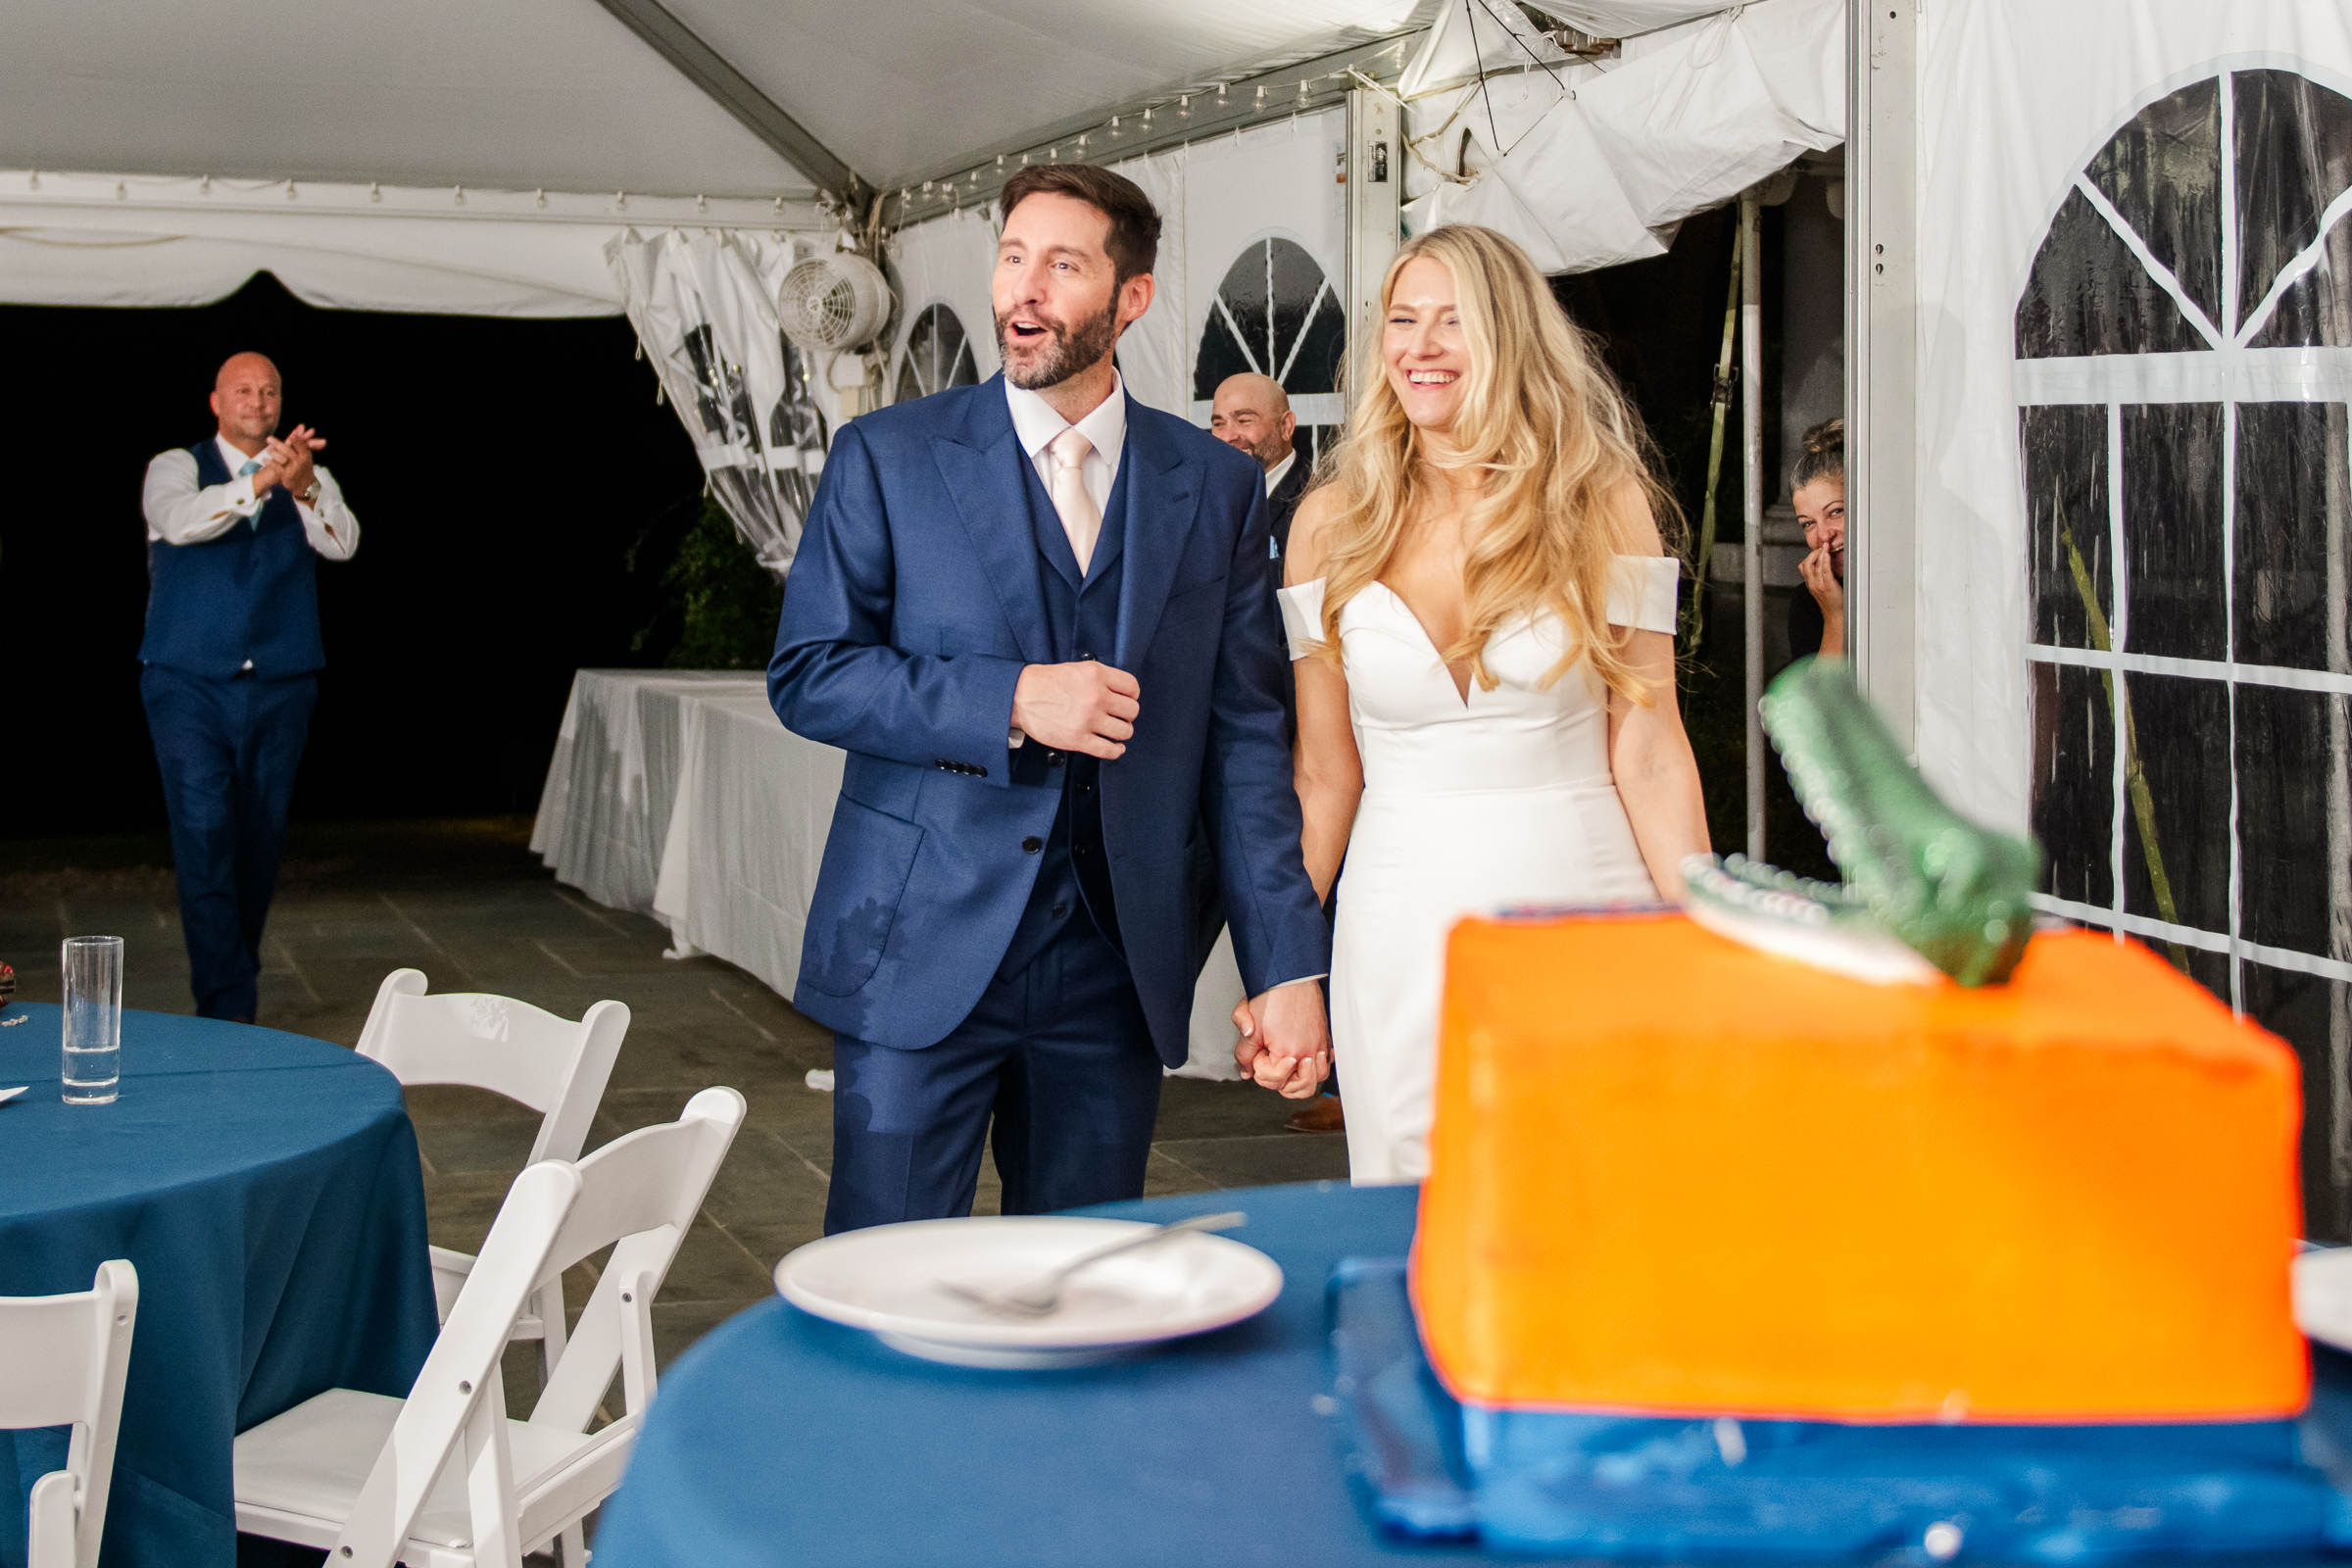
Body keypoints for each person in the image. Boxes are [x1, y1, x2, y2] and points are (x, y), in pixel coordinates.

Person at [769, 164, 1333, 1234]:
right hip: (918, 946)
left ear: (1132, 300)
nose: (1022, 292)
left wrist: (1287, 962)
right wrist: (1015, 699)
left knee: (1082, 1292)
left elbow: (1248, 744)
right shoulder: (888, 458)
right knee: (885, 1281)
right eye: (1012, 257)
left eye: (1062, 265)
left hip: (1113, 970)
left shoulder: (1210, 486)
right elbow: (811, 673)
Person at [1270, 224, 1712, 1183]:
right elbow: (1323, 771)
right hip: (1396, 925)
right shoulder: (1328, 526)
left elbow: (1650, 747)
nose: (1420, 346)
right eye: (1402, 320)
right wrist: (1279, 958)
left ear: (1509, 337)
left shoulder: (1604, 503)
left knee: (1591, 1194)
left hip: (1584, 909)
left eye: (1452, 321)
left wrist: (1706, 926)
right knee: (1411, 1215)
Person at [139, 352, 359, 1022]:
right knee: (205, 832)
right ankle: (229, 1010)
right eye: (243, 389)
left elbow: (342, 543)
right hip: (188, 683)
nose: (257, 400)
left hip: (280, 684)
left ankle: (231, 980)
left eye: (269, 390)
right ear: (216, 401)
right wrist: (264, 479)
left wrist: (303, 488)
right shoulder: (175, 466)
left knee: (259, 840)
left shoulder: (310, 476)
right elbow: (183, 521)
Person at [1211, 370, 1346, 1136]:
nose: (1232, 434)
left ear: (1288, 427)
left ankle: (1333, 1072)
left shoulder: (1318, 512)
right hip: (1252, 740)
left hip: (1318, 732)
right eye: (1220, 421)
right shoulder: (1214, 501)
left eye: (1247, 420)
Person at [1788, 417, 1845, 659]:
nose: (1823, 536)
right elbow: (1822, 696)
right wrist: (1835, 616)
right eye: (1808, 524)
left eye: (1836, 511)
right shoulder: (1809, 602)